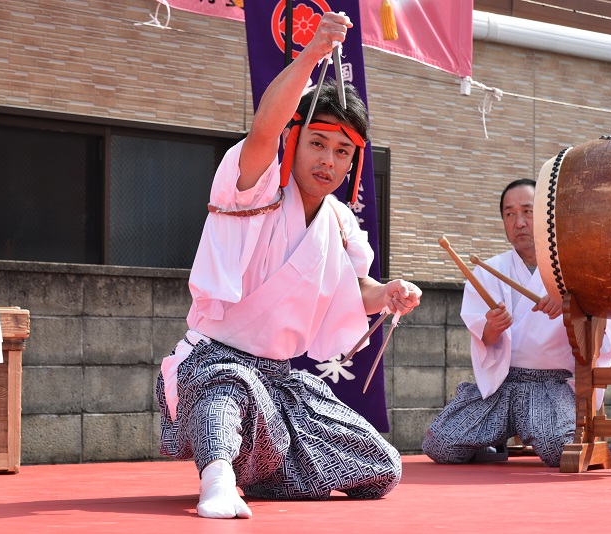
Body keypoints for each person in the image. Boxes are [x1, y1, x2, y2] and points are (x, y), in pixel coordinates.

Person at [155, 12, 422, 520]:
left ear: (353, 163)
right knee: (226, 391)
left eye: (342, 151)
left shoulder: (340, 222)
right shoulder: (255, 185)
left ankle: (257, 467)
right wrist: (312, 55)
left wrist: (387, 292)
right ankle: (218, 476)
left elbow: (353, 289)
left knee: (381, 466)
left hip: (280, 380)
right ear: (294, 140)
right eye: (317, 143)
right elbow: (263, 129)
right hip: (214, 361)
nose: (328, 159)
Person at [422, 178, 611, 468]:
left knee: (561, 451)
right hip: (501, 384)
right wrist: (491, 327)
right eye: (510, 213)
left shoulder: (575, 270)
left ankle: (541, 433)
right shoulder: (490, 270)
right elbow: (484, 338)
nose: (519, 222)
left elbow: (605, 331)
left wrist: (571, 308)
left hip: (550, 385)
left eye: (528, 211)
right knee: (439, 444)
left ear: (545, 216)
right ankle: (491, 443)